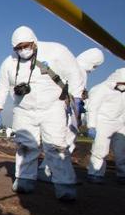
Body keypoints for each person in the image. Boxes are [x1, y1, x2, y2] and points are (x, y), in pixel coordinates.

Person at [0, 26, 83, 201]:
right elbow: (2, 86)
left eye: (25, 46)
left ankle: (65, 185)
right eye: (18, 48)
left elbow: (74, 72)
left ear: (34, 42)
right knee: (25, 145)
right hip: (23, 109)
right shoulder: (8, 63)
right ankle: (25, 179)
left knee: (56, 146)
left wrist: (77, 97)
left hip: (52, 107)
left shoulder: (56, 51)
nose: (22, 50)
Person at [37, 47, 104, 181]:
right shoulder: (79, 72)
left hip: (58, 110)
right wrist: (77, 116)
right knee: (65, 143)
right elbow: (75, 98)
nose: (93, 69)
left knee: (59, 142)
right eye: (95, 66)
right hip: (67, 113)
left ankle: (47, 169)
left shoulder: (68, 66)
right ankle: (49, 171)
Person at [85, 68, 125, 184]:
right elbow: (92, 108)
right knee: (100, 150)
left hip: (120, 123)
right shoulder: (100, 89)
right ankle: (95, 173)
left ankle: (122, 174)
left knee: (121, 151)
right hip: (103, 122)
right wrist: (91, 126)